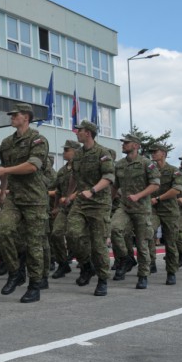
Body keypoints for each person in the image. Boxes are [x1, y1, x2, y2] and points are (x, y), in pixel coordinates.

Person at [0, 103, 50, 303]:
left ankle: (35, 285)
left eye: (15, 115)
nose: (11, 117)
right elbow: (4, 172)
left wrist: (6, 171)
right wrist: (1, 196)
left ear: (26, 117)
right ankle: (15, 272)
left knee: (35, 244)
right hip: (14, 198)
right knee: (1, 230)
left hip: (34, 199)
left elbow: (33, 166)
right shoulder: (7, 143)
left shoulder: (38, 139)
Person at [66, 119, 115, 296]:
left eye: (79, 131)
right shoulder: (78, 154)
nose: (76, 133)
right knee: (72, 234)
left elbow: (109, 177)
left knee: (99, 244)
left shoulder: (103, 153)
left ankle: (102, 279)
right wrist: (68, 195)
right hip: (80, 201)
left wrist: (92, 191)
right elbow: (74, 176)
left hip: (99, 203)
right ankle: (86, 265)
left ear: (88, 133)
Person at [110, 134, 160, 289]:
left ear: (136, 145)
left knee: (142, 243)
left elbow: (155, 184)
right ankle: (126, 258)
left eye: (127, 143)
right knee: (114, 228)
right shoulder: (119, 164)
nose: (123, 145)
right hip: (124, 207)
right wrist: (109, 202)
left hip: (142, 209)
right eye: (123, 142)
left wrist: (138, 196)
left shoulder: (147, 164)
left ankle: (143, 275)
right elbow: (114, 186)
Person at [148, 143, 182, 285]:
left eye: (155, 152)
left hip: (169, 211)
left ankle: (171, 272)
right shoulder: (150, 169)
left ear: (163, 153)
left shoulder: (174, 171)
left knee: (170, 242)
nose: (152, 154)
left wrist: (158, 198)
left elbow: (177, 189)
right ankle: (150, 264)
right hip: (153, 210)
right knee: (148, 233)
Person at [50, 140, 80, 279]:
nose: (64, 152)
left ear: (75, 151)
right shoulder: (62, 171)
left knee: (74, 236)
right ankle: (63, 264)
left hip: (80, 207)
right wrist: (56, 207)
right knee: (56, 233)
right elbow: (57, 190)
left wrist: (71, 197)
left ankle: (86, 263)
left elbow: (85, 186)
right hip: (64, 208)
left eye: (67, 150)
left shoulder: (82, 167)